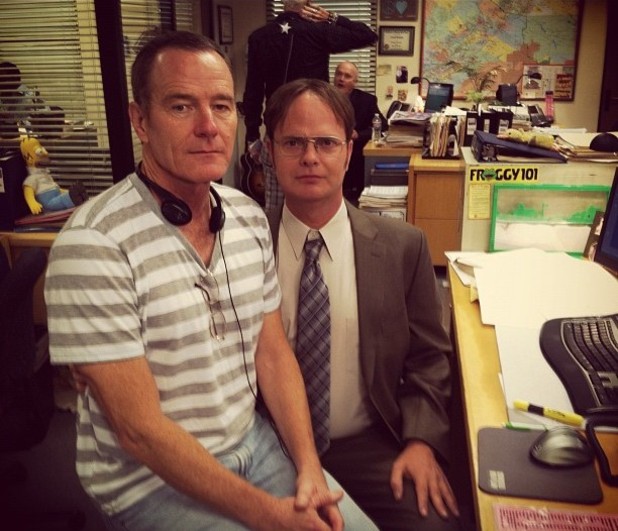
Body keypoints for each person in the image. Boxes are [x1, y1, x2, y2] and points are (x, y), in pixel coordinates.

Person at [44, 31, 377, 531]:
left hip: (255, 446)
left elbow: (272, 353)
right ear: (140, 121)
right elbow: (139, 432)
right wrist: (270, 517)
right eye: (181, 106)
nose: (208, 127)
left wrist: (308, 466)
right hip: (148, 481)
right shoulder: (93, 244)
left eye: (221, 106)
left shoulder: (246, 217)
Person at [263, 78, 462, 531]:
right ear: (270, 151)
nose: (310, 157)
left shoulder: (402, 246)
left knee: (437, 524)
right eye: (293, 142)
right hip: (270, 444)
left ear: (349, 151)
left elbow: (430, 358)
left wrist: (421, 441)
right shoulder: (240, 245)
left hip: (369, 443)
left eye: (326, 143)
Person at [242, 0, 377, 215]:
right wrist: (331, 17)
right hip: (316, 130)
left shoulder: (259, 37)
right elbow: (367, 34)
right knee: (318, 200)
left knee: (275, 209)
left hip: (278, 132)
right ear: (309, 5)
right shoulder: (318, 32)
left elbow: (253, 91)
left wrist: (252, 136)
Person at [333, 61, 388, 203]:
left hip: (355, 157)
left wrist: (358, 134)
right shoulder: (323, 98)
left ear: (355, 82)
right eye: (339, 74)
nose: (341, 79)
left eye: (347, 76)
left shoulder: (366, 100)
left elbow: (383, 126)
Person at [20, 136, 88, 214]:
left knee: (63, 198)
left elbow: (54, 187)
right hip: (48, 202)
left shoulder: (45, 174)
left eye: (43, 149)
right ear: (29, 158)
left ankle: (78, 195)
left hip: (56, 195)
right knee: (62, 200)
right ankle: (74, 198)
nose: (46, 153)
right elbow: (28, 190)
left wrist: (66, 191)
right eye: (39, 151)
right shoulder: (32, 178)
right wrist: (32, 203)